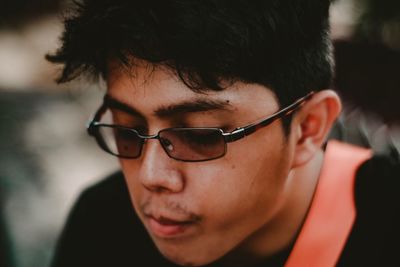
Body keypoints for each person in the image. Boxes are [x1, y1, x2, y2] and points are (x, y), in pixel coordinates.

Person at [47, 0, 400, 266]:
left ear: (308, 129)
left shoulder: (385, 227)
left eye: (200, 136)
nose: (151, 176)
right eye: (128, 131)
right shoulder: (103, 227)